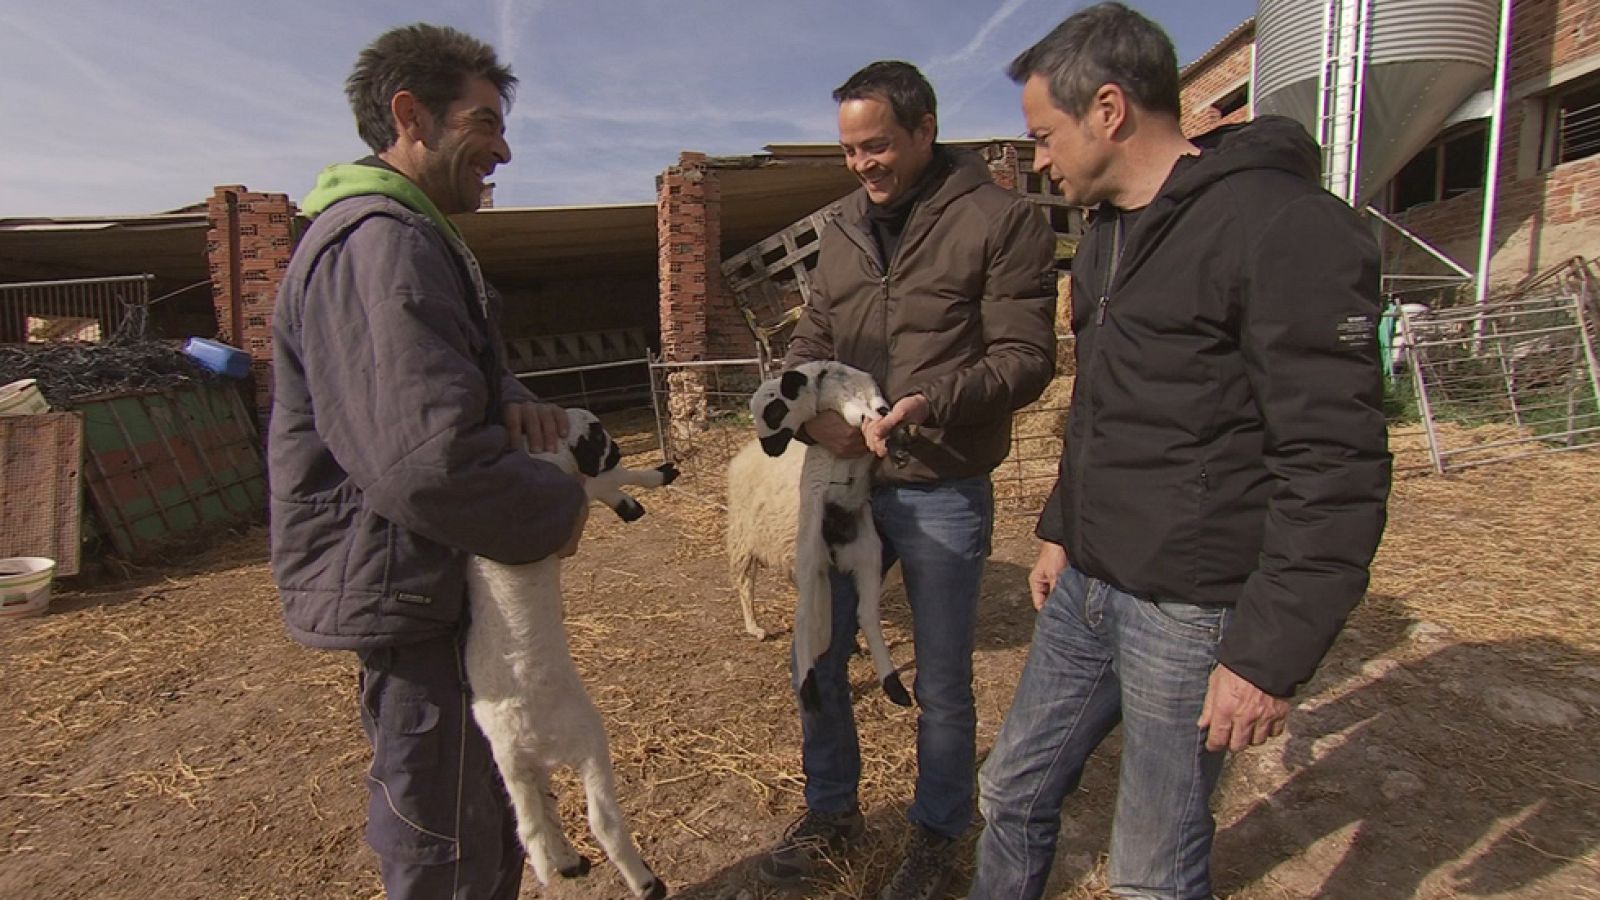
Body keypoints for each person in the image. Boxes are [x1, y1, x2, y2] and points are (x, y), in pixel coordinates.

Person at [969, 4, 1393, 899]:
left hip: (1190, 610)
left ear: (1110, 111)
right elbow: (1106, 406)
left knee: (1150, 873)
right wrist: (1061, 526)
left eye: (1044, 134)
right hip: (1090, 579)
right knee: (1010, 789)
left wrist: (1266, 657)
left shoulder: (1277, 226)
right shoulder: (1107, 234)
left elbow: (1336, 462)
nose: (1038, 158)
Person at [268, 23, 589, 899]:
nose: (503, 148)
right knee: (444, 833)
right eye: (484, 122)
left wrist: (507, 393)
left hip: (427, 581)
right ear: (411, 116)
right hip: (413, 588)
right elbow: (425, 463)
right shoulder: (382, 243)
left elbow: (416, 385)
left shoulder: (405, 238)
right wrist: (558, 509)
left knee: (483, 809)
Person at [756, 60, 1058, 900]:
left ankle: (936, 833)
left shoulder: (1001, 220)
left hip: (941, 483)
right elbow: (807, 342)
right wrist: (806, 411)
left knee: (944, 679)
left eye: (878, 146)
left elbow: (1028, 358)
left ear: (926, 129)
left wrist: (929, 403)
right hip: (844, 483)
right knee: (814, 655)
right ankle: (831, 813)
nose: (864, 165)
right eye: (850, 151)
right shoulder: (842, 230)